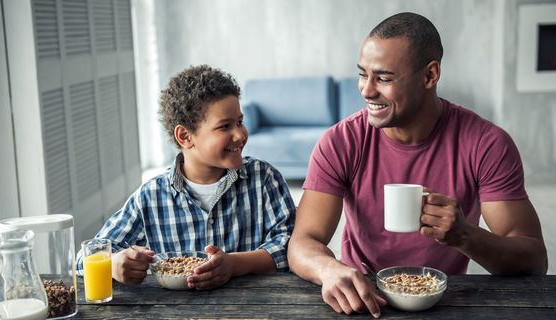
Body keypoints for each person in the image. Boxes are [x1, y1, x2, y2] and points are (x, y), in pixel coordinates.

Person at [287, 12, 548, 318]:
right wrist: (329, 270)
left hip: (445, 302)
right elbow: (302, 243)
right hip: (362, 300)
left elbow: (533, 258)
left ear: (429, 76)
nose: (367, 90)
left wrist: (465, 235)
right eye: (363, 74)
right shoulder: (341, 141)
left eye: (383, 78)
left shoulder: (486, 144)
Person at [76, 65, 296, 289]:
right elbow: (85, 259)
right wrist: (114, 263)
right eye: (225, 126)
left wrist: (234, 264)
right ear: (185, 136)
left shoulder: (264, 179)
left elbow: (291, 247)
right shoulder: (150, 197)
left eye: (239, 122)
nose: (240, 134)